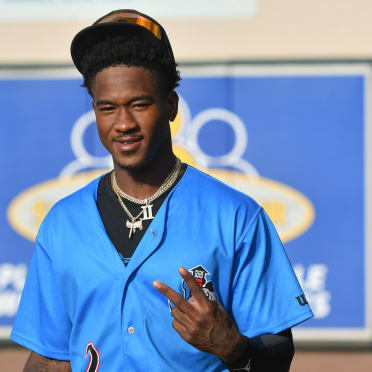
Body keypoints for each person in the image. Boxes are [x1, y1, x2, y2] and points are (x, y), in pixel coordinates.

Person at [11, 9, 313, 372]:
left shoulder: (236, 217)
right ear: (94, 110)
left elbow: (277, 352)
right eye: (108, 108)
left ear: (171, 105)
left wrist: (234, 349)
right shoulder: (63, 222)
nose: (123, 123)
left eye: (139, 104)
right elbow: (48, 357)